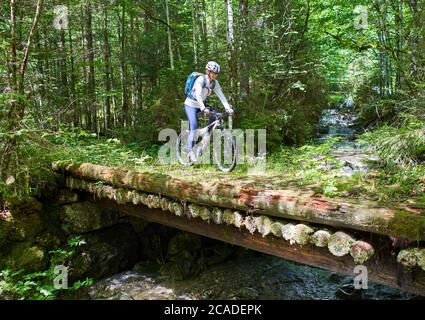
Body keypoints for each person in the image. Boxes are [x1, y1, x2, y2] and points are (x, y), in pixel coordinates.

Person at [184, 61, 234, 162]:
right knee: (194, 126)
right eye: (213, 72)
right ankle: (190, 151)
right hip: (190, 104)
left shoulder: (215, 83)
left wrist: (228, 108)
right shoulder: (201, 79)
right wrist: (203, 108)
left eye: (216, 73)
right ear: (208, 71)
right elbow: (197, 95)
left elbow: (221, 96)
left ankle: (203, 140)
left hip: (202, 105)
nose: (215, 75)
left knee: (215, 116)